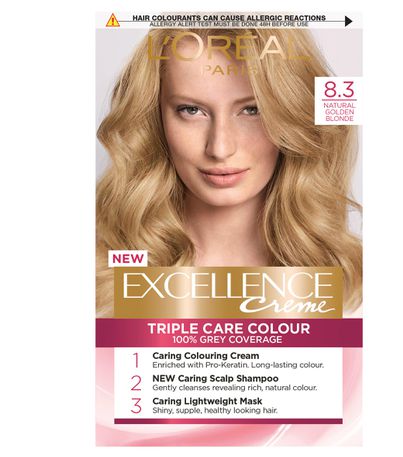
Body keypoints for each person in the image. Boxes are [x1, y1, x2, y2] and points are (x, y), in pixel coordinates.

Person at [96, 28, 362, 317]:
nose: (220, 148)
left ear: (295, 116)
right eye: (191, 110)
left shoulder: (352, 287)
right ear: (155, 119)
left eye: (252, 110)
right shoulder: (105, 278)